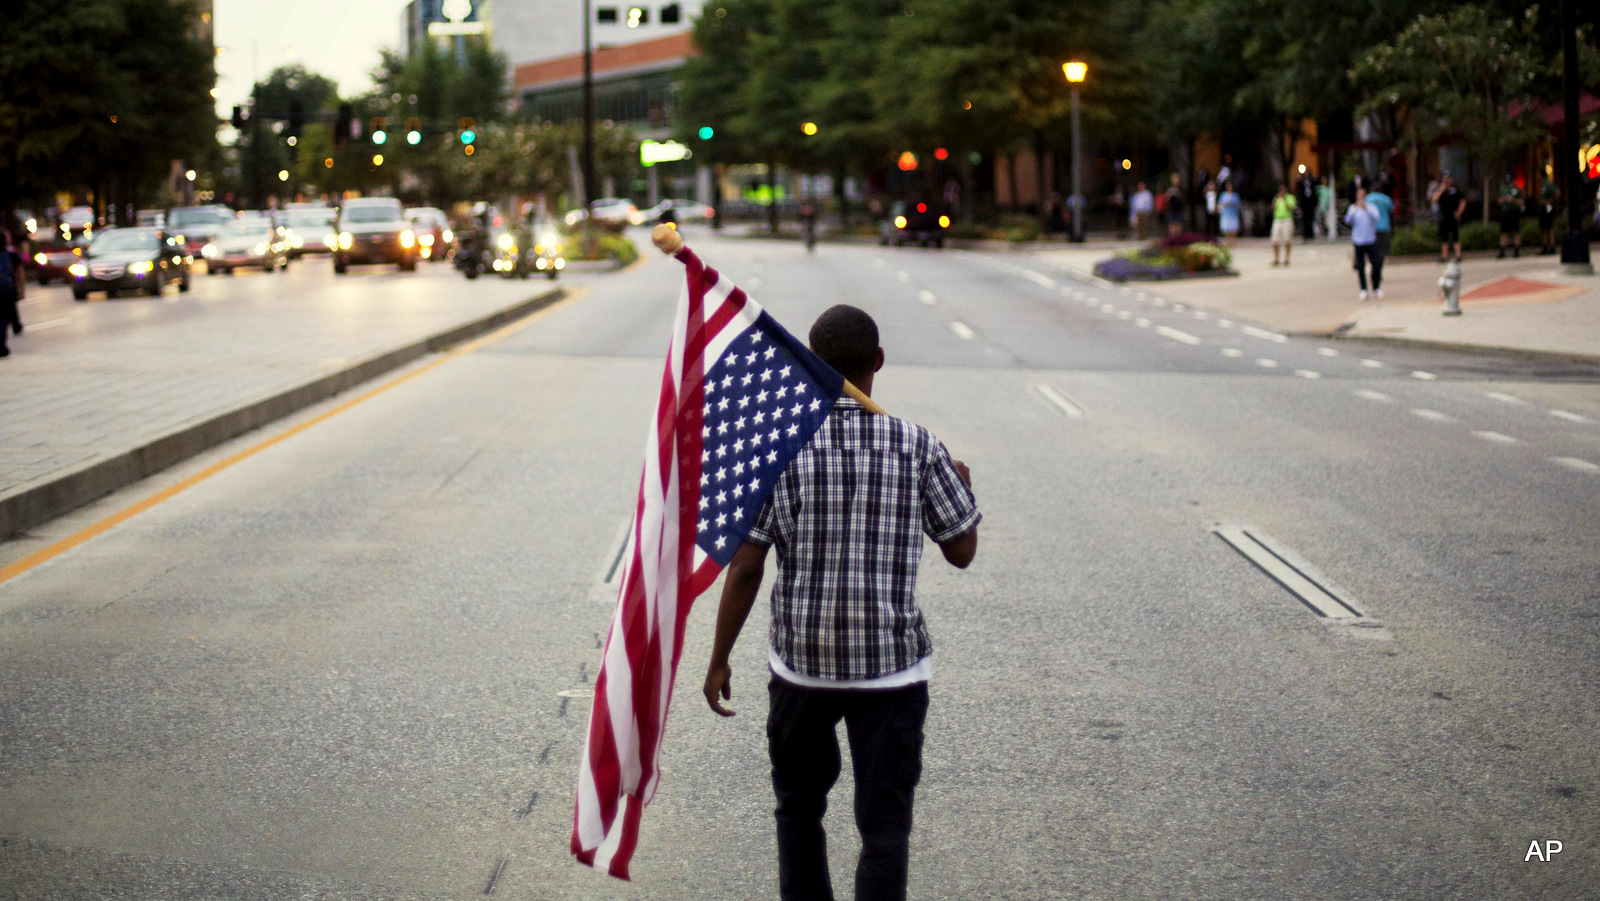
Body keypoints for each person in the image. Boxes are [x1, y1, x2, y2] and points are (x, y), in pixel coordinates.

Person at [703, 304, 980, 901]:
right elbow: (961, 551)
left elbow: (748, 566)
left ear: (808, 365)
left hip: (801, 667)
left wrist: (719, 657)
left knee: (798, 810)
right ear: (878, 362)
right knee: (885, 825)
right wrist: (962, 484)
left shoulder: (784, 450)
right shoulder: (918, 447)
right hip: (892, 668)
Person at [1345, 187, 1382, 300]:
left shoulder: (1371, 207)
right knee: (1360, 267)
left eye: (1362, 196)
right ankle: (1363, 289)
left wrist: (1365, 208)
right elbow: (1347, 221)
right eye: (1359, 197)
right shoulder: (1353, 208)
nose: (1360, 199)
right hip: (1358, 241)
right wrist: (1356, 209)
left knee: (1376, 265)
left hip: (1370, 240)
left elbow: (1376, 218)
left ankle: (1376, 287)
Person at [1430, 173, 1466, 262]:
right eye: (1445, 179)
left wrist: (1459, 212)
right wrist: (1442, 189)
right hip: (1443, 216)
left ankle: (1458, 256)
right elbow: (1434, 199)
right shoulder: (1440, 190)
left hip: (1453, 216)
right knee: (1444, 238)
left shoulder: (1456, 189)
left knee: (1455, 237)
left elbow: (1462, 201)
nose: (1446, 180)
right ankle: (1444, 256)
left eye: (1448, 178)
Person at [0, 231, 23, 358]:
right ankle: (1, 347)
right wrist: (22, 290)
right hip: (6, 291)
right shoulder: (11, 254)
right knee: (3, 320)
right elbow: (20, 272)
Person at [1366, 178, 1395, 266]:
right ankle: (1379, 267)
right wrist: (1392, 228)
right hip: (1384, 227)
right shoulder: (1387, 199)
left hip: (1371, 228)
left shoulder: (1368, 198)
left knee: (1372, 248)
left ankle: (1374, 265)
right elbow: (1391, 215)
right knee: (1382, 250)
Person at [1497, 175, 1524, 258]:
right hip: (1505, 212)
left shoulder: (1518, 190)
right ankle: (1502, 250)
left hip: (1514, 212)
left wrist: (1513, 199)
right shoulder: (1504, 189)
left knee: (1516, 231)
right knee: (1503, 232)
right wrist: (1505, 199)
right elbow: (1499, 201)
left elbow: (1522, 202)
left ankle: (1516, 250)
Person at [1270, 183, 1297, 266]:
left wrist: (1284, 199)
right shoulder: (1277, 198)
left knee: (1287, 240)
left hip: (1287, 219)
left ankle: (1287, 258)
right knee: (1275, 240)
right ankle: (1276, 258)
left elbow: (1290, 208)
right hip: (1277, 219)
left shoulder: (1290, 197)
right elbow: (1273, 208)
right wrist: (1276, 199)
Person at [1537, 179, 1559, 255]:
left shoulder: (1548, 184)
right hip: (1543, 208)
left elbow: (1557, 192)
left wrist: (1551, 201)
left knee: (1550, 226)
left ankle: (1552, 246)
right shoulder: (1542, 184)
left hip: (1548, 207)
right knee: (1543, 227)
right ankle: (1545, 246)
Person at [1218, 181, 1241, 247]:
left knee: (1233, 229)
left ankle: (1233, 242)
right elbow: (1220, 204)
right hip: (1226, 214)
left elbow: (1237, 204)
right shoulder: (1223, 195)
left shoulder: (1235, 195)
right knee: (1226, 229)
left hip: (1233, 214)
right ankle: (1227, 242)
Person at [1297, 173, 1318, 241]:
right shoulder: (1301, 184)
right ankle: (1305, 234)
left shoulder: (1312, 184)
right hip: (1304, 205)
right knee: (1304, 220)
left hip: (1311, 205)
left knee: (1311, 219)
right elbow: (1299, 193)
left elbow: (1314, 193)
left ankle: (1310, 233)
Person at [1317, 175, 1336, 242]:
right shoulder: (1320, 189)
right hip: (1321, 208)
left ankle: (1328, 232)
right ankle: (1321, 232)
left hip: (1328, 209)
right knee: (1320, 220)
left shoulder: (1329, 190)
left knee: (1327, 221)